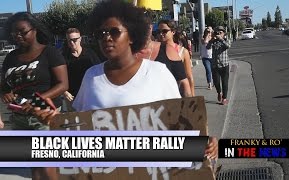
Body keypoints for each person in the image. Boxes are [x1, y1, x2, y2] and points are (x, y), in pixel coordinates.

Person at [29, 0, 217, 161]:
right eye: (101, 33)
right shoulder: (91, 76)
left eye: (114, 32)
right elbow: (81, 128)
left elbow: (181, 123)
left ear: (132, 35)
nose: (107, 38)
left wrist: (205, 142)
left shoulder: (158, 73)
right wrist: (53, 120)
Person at [1, 12, 68, 180]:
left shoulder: (50, 53)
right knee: (33, 163)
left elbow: (63, 84)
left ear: (35, 30)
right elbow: (3, 85)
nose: (18, 36)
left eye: (22, 31)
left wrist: (37, 100)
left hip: (45, 114)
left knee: (47, 164)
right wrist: (5, 93)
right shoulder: (10, 58)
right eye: (14, 33)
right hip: (19, 117)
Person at [62, 28, 100, 110]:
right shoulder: (63, 57)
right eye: (69, 40)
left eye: (74, 40)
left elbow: (99, 71)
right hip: (72, 97)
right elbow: (58, 77)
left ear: (80, 39)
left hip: (91, 94)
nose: (72, 43)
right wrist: (65, 92)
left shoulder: (90, 54)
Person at [157, 20, 195, 96]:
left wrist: (192, 97)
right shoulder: (154, 50)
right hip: (160, 93)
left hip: (178, 93)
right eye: (159, 31)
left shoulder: (183, 51)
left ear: (173, 32)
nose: (161, 34)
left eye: (164, 31)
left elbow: (189, 77)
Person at [207, 26, 230, 105]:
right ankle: (219, 92)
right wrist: (212, 39)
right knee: (216, 82)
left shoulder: (226, 40)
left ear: (224, 34)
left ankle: (224, 98)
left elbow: (228, 46)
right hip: (215, 65)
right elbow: (207, 47)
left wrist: (221, 39)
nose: (219, 34)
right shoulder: (214, 41)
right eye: (218, 32)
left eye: (221, 32)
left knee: (225, 82)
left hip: (224, 64)